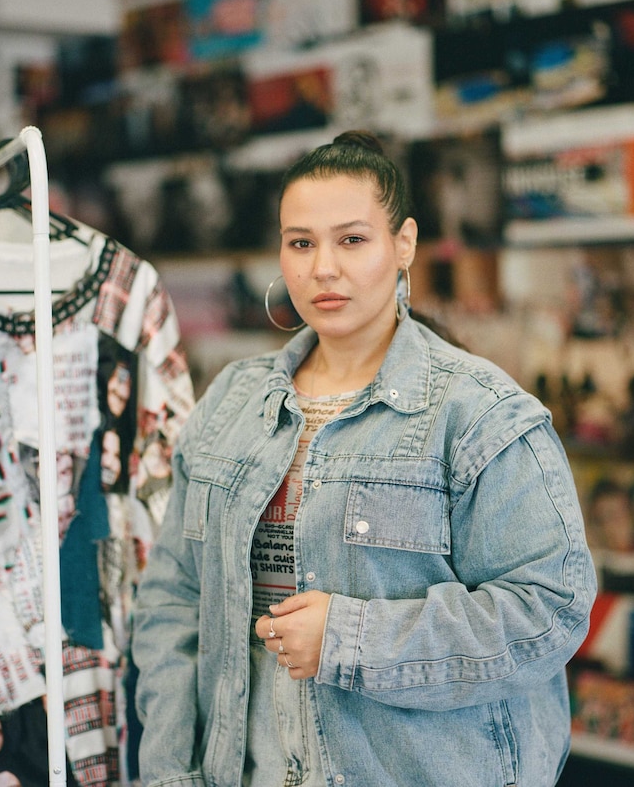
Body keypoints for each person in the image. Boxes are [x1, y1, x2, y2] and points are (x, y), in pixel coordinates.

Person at [132, 130, 597, 787]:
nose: (323, 267)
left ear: (403, 243)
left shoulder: (477, 412)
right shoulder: (233, 402)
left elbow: (549, 609)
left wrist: (351, 639)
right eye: (301, 243)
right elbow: (174, 602)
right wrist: (169, 773)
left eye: (352, 239)